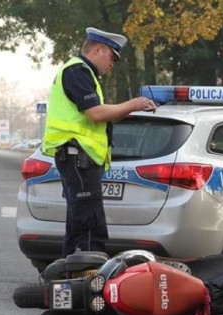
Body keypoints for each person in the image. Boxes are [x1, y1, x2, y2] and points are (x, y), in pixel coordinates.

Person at [41, 27, 157, 258]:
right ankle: (90, 281)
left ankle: (67, 281)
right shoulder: (78, 71)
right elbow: (95, 114)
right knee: (91, 226)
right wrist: (132, 104)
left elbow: (101, 115)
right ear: (97, 49)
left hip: (80, 159)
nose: (113, 63)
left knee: (77, 225)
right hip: (78, 158)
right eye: (112, 57)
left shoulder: (83, 73)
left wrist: (126, 110)